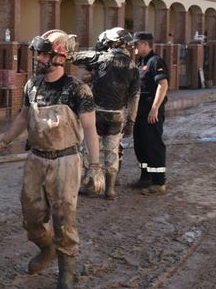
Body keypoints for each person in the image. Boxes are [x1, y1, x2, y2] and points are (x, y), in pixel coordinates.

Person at [0, 30, 101, 289]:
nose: (38, 58)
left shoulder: (77, 90)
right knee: (32, 217)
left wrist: (95, 167)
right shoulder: (32, 85)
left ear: (60, 57)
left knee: (64, 219)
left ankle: (66, 275)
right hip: (36, 159)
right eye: (38, 53)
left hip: (66, 161)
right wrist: (2, 143)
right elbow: (24, 118)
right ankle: (47, 249)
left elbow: (90, 128)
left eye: (44, 53)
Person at [70, 27, 139, 200]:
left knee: (89, 148)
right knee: (112, 151)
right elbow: (134, 98)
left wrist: (69, 46)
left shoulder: (102, 58)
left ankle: (91, 185)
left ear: (111, 43)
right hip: (117, 114)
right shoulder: (133, 67)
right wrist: (131, 121)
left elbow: (74, 58)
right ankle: (110, 190)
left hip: (96, 113)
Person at [130, 31, 169, 194]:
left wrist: (155, 109)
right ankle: (145, 177)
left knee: (153, 144)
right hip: (140, 111)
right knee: (141, 144)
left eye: (136, 44)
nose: (134, 48)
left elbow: (163, 85)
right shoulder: (141, 62)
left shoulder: (155, 61)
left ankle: (159, 182)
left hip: (150, 111)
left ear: (146, 44)